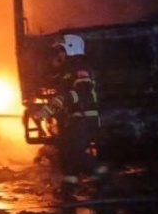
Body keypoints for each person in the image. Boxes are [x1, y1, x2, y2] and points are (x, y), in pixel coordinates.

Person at [32, 34, 108, 198]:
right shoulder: (68, 70)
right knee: (66, 152)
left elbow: (80, 93)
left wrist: (50, 109)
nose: (59, 54)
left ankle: (102, 174)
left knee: (75, 153)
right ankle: (69, 187)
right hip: (74, 118)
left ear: (71, 49)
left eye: (61, 50)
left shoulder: (79, 68)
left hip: (84, 118)